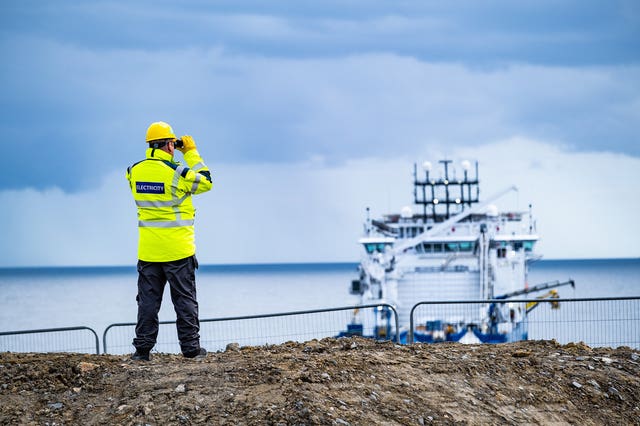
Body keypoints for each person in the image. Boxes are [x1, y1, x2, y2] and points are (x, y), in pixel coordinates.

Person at [126, 121, 213, 361]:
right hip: (178, 250)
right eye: (173, 145)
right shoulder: (178, 173)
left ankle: (142, 351)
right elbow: (206, 182)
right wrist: (191, 152)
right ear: (169, 145)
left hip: (148, 251)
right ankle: (191, 349)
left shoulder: (133, 171)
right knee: (184, 300)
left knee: (147, 302)